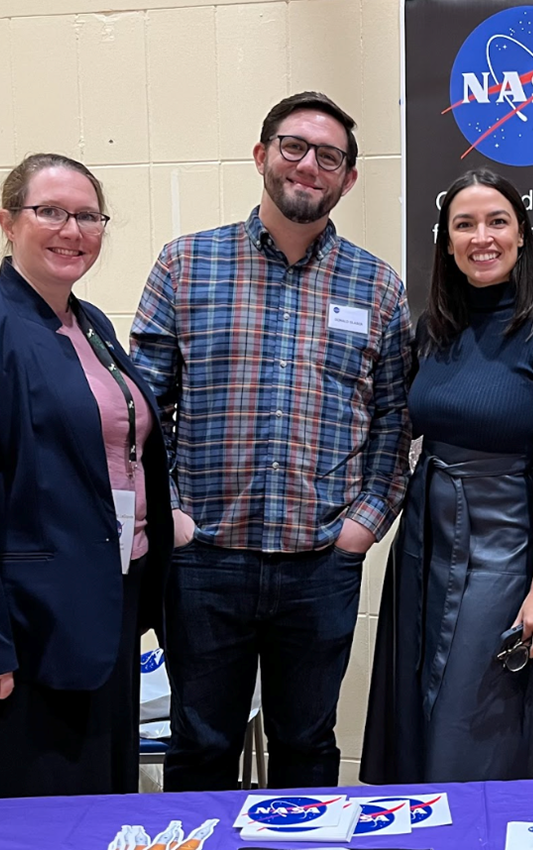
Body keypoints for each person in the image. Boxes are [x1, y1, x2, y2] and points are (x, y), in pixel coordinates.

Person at [131, 91, 411, 791]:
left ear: (347, 179)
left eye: (329, 157)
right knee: (200, 743)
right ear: (262, 156)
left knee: (308, 744)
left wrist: (363, 526)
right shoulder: (185, 265)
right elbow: (139, 413)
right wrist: (171, 518)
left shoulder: (377, 286)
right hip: (205, 561)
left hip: (320, 564)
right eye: (293, 147)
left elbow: (396, 424)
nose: (308, 165)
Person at [0, 153, 173, 800]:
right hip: (14, 636)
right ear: (8, 221)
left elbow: (106, 458)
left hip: (99, 616)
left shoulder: (92, 327)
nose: (72, 230)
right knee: (15, 822)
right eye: (50, 212)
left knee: (93, 808)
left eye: (88, 216)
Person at [360, 169, 533, 783]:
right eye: (464, 224)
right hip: (423, 542)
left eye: (496, 222)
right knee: (416, 697)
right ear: (446, 240)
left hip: (503, 541)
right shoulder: (432, 329)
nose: (480, 237)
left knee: (472, 707)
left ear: (522, 235)